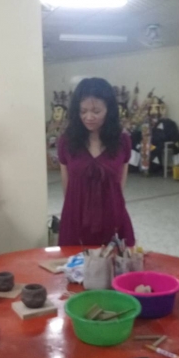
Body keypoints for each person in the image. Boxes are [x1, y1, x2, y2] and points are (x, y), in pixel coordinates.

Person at [58, 77, 135, 247]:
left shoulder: (122, 141)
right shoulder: (67, 142)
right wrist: (72, 214)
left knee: (114, 262)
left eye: (96, 111)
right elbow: (66, 185)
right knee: (74, 262)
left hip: (112, 216)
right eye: (83, 111)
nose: (88, 117)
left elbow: (120, 184)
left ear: (109, 110)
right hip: (76, 217)